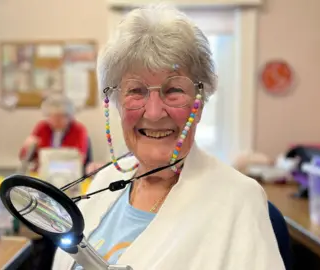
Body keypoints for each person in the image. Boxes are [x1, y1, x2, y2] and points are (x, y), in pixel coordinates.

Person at [52, 4, 285, 270]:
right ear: (116, 102)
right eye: (136, 90)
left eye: (173, 90)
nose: (153, 112)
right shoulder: (105, 181)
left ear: (200, 102)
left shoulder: (239, 200)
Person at [19, 94, 90, 172]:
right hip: (42, 174)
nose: (55, 120)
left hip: (68, 174)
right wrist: (27, 147)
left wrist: (48, 166)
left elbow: (79, 159)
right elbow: (24, 159)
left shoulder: (78, 129)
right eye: (52, 116)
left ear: (69, 116)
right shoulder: (42, 127)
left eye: (60, 117)